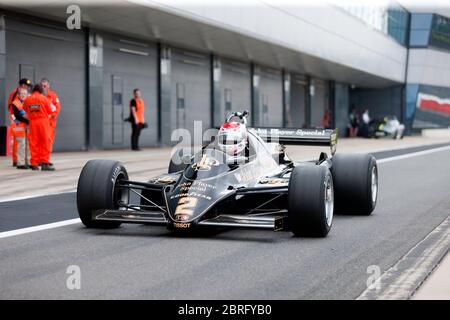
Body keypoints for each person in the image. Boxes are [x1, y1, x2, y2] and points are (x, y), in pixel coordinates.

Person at [22, 84, 56, 171]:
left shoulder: (28, 99)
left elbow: (24, 110)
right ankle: (44, 162)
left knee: (34, 142)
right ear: (41, 90)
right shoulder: (44, 98)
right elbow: (52, 111)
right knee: (45, 142)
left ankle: (34, 164)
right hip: (43, 122)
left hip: (32, 123)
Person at [8, 78, 31, 166]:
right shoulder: (15, 94)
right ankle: (18, 161)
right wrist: (16, 120)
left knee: (23, 143)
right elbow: (12, 108)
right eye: (26, 86)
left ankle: (19, 161)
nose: (27, 88)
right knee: (20, 142)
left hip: (22, 121)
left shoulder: (25, 98)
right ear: (22, 85)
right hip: (17, 120)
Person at [40, 78, 61, 153]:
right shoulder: (38, 96)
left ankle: (46, 158)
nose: (43, 87)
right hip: (40, 122)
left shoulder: (53, 96)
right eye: (41, 86)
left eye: (44, 86)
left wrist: (51, 115)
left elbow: (57, 108)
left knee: (48, 140)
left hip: (50, 123)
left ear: (48, 86)